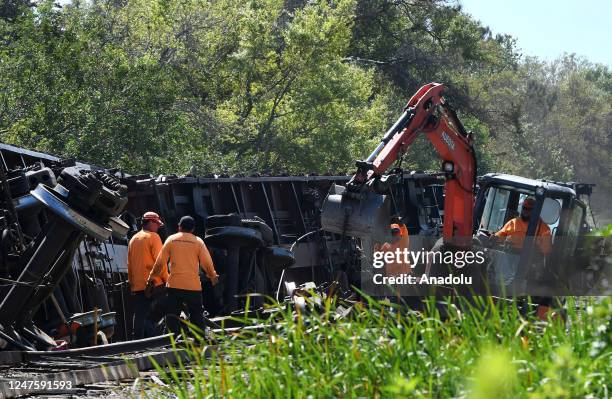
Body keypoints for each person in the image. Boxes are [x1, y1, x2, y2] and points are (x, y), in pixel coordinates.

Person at [147, 215, 219, 336]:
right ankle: (199, 341)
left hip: (175, 286)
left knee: (172, 316)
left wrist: (151, 279)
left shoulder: (171, 240)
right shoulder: (198, 242)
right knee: (196, 315)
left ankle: (172, 341)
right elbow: (207, 263)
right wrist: (213, 277)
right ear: (193, 229)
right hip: (193, 287)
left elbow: (160, 263)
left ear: (179, 227)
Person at [127, 211, 168, 339]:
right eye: (156, 224)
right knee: (170, 305)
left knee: (140, 314)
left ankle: (138, 342)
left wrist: (132, 284)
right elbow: (160, 262)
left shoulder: (133, 240)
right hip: (155, 283)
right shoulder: (153, 237)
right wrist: (167, 280)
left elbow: (130, 265)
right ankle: (159, 336)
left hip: (139, 286)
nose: (157, 227)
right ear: (150, 222)